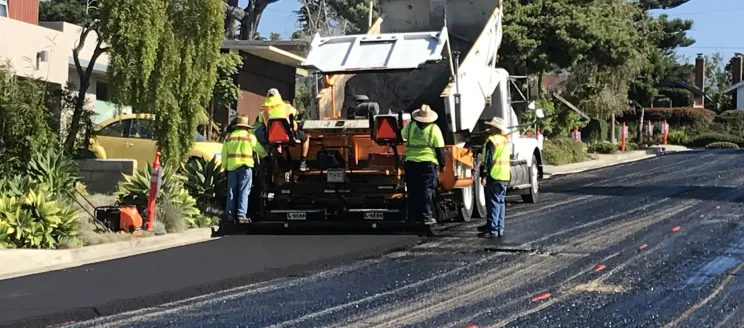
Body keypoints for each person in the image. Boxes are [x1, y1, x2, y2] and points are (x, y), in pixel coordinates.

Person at [401, 104, 446, 225]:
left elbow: (402, 135)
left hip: (411, 163)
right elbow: (439, 148)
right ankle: (426, 216)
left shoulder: (410, 127)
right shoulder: (434, 129)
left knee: (412, 190)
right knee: (426, 190)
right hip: (428, 163)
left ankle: (412, 217)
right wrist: (442, 164)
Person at [222, 116, 267, 224]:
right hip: (246, 167)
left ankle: (229, 216)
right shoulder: (249, 136)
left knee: (232, 192)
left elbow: (224, 155)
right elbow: (259, 149)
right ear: (246, 127)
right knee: (244, 192)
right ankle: (241, 216)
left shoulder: (229, 137)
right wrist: (266, 155)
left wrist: (225, 167)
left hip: (232, 167)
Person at [255, 88, 310, 171]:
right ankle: (302, 162)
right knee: (306, 138)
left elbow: (260, 121)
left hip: (271, 137)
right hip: (288, 135)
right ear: (278, 96)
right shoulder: (286, 106)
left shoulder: (263, 109)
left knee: (277, 143)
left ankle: (280, 160)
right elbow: (296, 113)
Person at [477, 117, 511, 238]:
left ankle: (492, 229)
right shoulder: (505, 140)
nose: (488, 129)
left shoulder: (492, 141)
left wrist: (484, 175)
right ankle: (499, 228)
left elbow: (487, 160)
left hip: (494, 175)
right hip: (505, 175)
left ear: (495, 129)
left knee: (493, 203)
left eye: (491, 127)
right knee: (501, 203)